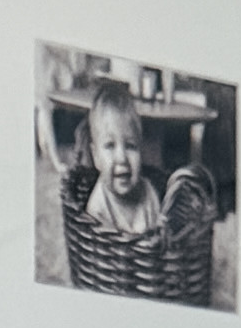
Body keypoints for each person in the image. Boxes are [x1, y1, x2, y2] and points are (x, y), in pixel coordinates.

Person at [59, 91, 219, 301]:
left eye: (131, 146)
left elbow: (160, 242)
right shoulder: (98, 205)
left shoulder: (149, 192)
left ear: (141, 152)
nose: (122, 157)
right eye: (110, 146)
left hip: (151, 283)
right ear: (96, 157)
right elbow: (102, 256)